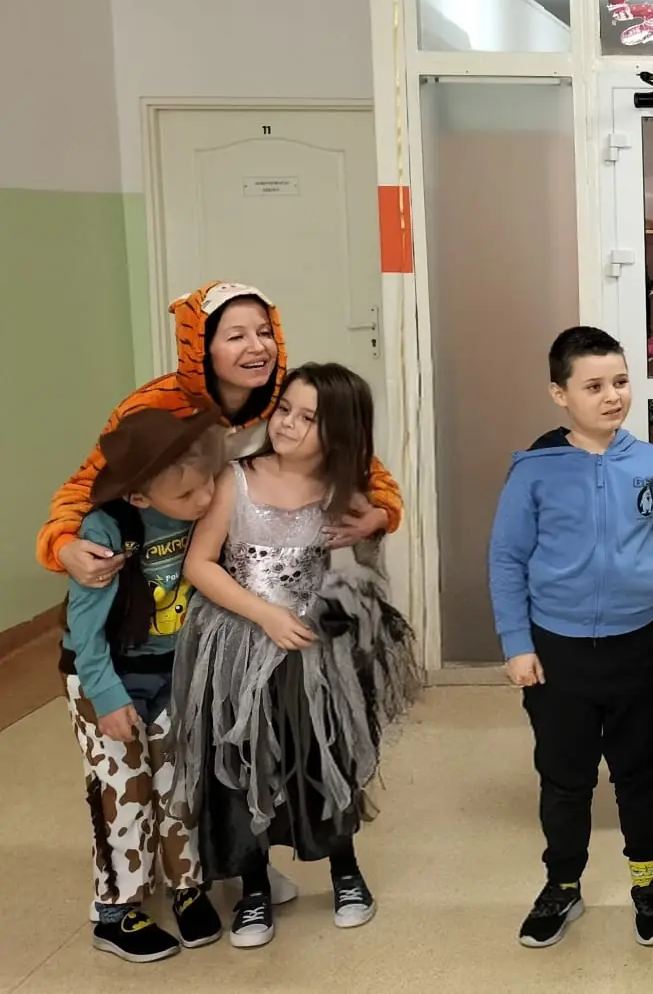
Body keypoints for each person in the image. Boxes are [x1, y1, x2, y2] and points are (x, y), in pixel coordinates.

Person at [172, 363, 419, 950]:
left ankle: (345, 870)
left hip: (312, 654)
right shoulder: (236, 478)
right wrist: (264, 615)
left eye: (308, 418)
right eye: (285, 409)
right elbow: (199, 564)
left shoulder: (343, 492)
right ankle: (254, 886)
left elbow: (364, 566)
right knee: (244, 762)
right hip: (238, 647)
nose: (287, 423)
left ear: (340, 433)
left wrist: (375, 526)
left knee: (321, 754)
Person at [490, 326, 653, 950]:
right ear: (560, 394)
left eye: (621, 382)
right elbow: (507, 559)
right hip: (559, 651)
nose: (613, 396)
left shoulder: (647, 463)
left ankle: (648, 881)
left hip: (638, 645)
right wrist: (516, 643)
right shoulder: (534, 472)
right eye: (594, 386)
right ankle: (562, 884)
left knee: (637, 770)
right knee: (565, 776)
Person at [42, 282, 402, 588]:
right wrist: (63, 545)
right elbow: (86, 484)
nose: (258, 347)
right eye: (236, 336)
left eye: (265, 333)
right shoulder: (153, 407)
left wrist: (382, 514)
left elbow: (356, 456)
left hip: (253, 575)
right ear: (200, 347)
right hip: (158, 562)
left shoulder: (286, 400)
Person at [61, 407, 228, 962]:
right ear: (138, 496)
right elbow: (85, 632)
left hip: (172, 672)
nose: (204, 499)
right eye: (187, 495)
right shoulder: (106, 531)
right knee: (123, 790)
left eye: (207, 484)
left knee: (178, 782)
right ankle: (115, 911)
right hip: (104, 676)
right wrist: (107, 698)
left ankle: (187, 887)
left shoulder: (200, 517)